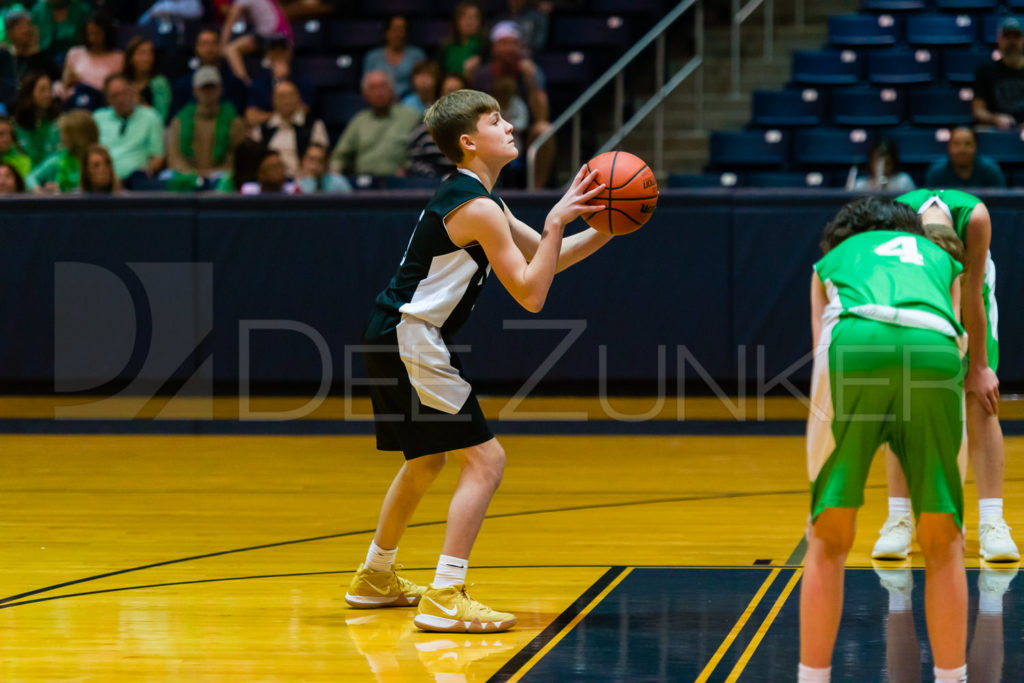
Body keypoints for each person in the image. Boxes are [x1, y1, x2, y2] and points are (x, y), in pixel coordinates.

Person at [344, 88, 610, 634]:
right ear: (469, 142)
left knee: (426, 461)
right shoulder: (478, 207)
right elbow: (531, 296)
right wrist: (560, 217)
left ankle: (375, 577)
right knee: (486, 461)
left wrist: (607, 230)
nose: (510, 125)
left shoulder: (480, 199)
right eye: (496, 119)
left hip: (393, 331)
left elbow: (543, 260)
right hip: (410, 336)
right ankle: (446, 593)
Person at [800, 196, 967, 683]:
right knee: (944, 539)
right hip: (934, 345)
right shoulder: (943, 259)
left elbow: (820, 348)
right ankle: (952, 678)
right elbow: (960, 335)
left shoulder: (830, 262)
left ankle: (813, 678)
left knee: (827, 535)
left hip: (856, 342)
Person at [872, 188, 1019, 563]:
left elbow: (969, 296)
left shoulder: (976, 219)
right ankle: (899, 519)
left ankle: (992, 523)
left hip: (974, 288)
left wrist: (980, 368)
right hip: (911, 292)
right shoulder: (894, 222)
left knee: (980, 397)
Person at [472, 20, 553, 188]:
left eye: (514, 43)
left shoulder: (531, 72)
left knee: (544, 129)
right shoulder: (482, 75)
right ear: (494, 47)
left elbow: (541, 116)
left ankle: (536, 192)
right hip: (489, 133)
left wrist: (531, 81)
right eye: (504, 43)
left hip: (522, 134)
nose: (509, 48)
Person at [329, 70, 419, 177]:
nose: (378, 92)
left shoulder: (411, 117)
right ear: (365, 95)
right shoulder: (359, 121)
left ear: (391, 90)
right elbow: (339, 156)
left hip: (399, 183)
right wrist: (334, 173)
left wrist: (408, 168)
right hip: (363, 183)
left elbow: (423, 152)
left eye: (383, 86)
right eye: (373, 88)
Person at [166, 65, 247, 178]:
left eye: (212, 87)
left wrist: (213, 174)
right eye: (204, 88)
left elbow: (238, 159)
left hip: (222, 181)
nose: (208, 92)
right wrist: (192, 175)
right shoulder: (179, 122)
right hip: (186, 181)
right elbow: (175, 158)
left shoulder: (235, 122)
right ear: (195, 91)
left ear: (220, 89)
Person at [93, 73, 165, 184]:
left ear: (133, 91)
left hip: (137, 182)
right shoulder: (98, 118)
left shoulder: (150, 116)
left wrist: (148, 172)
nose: (121, 99)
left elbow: (157, 156)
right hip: (103, 183)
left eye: (124, 93)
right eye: (115, 95)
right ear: (108, 99)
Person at [249, 78, 327, 177]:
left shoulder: (315, 126)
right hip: (271, 184)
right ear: (273, 100)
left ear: (298, 97)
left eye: (290, 96)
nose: (286, 101)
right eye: (281, 97)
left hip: (304, 182)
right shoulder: (262, 129)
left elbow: (321, 159)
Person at [169, 28, 248, 118]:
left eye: (213, 43)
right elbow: (175, 119)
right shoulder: (182, 85)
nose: (209, 49)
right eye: (204, 44)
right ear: (196, 48)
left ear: (220, 47)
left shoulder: (235, 84)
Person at [242, 35, 314, 127]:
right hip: (268, 134)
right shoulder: (259, 83)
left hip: (297, 132)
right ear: (268, 54)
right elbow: (251, 117)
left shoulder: (302, 81)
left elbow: (304, 111)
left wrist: (283, 79)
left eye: (282, 51)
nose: (278, 55)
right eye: (274, 51)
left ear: (289, 52)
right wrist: (279, 116)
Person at [219, 0, 293, 86]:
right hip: (287, 36)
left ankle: (244, 84)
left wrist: (221, 47)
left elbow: (229, 24)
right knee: (278, 74)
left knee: (230, 49)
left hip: (272, 35)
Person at [25, 108, 97, 192]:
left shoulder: (98, 159)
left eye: (65, 133)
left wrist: (65, 190)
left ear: (78, 136)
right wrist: (39, 190)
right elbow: (30, 178)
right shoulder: (58, 159)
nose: (61, 137)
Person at [61, 10, 123, 108]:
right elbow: (66, 85)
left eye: (97, 34)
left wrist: (85, 83)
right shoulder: (74, 53)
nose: (92, 38)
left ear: (107, 33)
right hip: (77, 105)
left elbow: (117, 89)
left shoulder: (119, 57)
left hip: (104, 106)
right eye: (89, 33)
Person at [973, 17, 1024, 129]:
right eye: (1007, 37)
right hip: (996, 130)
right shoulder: (986, 71)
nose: (1012, 42)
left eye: (1016, 37)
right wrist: (995, 118)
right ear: (999, 39)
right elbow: (978, 110)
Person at [363, 16, 426, 102]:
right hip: (379, 102)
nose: (398, 34)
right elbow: (366, 87)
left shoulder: (417, 54)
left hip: (411, 103)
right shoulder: (372, 57)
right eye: (394, 29)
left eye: (402, 29)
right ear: (386, 32)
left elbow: (424, 84)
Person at [925, 126, 1005, 189]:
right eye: (956, 144)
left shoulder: (991, 171)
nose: (962, 150)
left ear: (976, 146)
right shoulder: (936, 173)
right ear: (949, 147)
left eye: (967, 144)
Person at [13, 72, 62, 166]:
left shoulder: (58, 122)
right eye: (42, 90)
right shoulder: (16, 125)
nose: (48, 94)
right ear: (29, 93)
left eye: (49, 89)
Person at [123, 36, 171, 121]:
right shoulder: (122, 81)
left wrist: (139, 103)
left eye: (150, 54)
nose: (147, 58)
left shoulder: (159, 83)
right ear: (130, 58)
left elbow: (161, 116)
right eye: (142, 53)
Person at [5, 10, 60, 83]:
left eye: (28, 25)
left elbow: (56, 80)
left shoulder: (43, 58)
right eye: (20, 26)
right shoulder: (5, 58)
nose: (26, 30)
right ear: (9, 32)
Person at [439, 1, 485, 81]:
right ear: (457, 20)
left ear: (481, 21)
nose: (469, 22)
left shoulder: (486, 45)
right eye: (465, 17)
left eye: (474, 17)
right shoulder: (445, 46)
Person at [848, 139, 915, 192]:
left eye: (887, 163)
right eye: (877, 163)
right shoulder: (860, 185)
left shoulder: (903, 181)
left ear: (893, 163)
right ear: (870, 162)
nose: (882, 168)